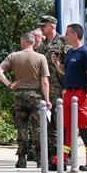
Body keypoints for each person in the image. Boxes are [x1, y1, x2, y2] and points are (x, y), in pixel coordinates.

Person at [50, 24, 87, 171]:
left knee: (85, 127)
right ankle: (61, 160)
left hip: (81, 94)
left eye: (67, 33)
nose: (64, 36)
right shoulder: (70, 52)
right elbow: (65, 71)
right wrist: (57, 63)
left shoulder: (85, 53)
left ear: (75, 35)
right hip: (69, 94)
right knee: (66, 127)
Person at [0, 32, 51, 168]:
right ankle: (40, 159)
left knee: (21, 127)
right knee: (37, 128)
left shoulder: (13, 56)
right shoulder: (41, 57)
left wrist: (9, 84)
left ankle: (21, 158)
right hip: (36, 96)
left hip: (19, 95)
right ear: (33, 43)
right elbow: (44, 81)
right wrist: (48, 99)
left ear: (23, 42)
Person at [36, 15, 66, 161]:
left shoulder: (63, 42)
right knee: (48, 125)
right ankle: (51, 156)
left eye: (44, 25)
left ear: (52, 26)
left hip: (59, 89)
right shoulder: (42, 45)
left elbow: (69, 66)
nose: (41, 28)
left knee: (60, 123)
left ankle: (62, 155)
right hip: (44, 90)